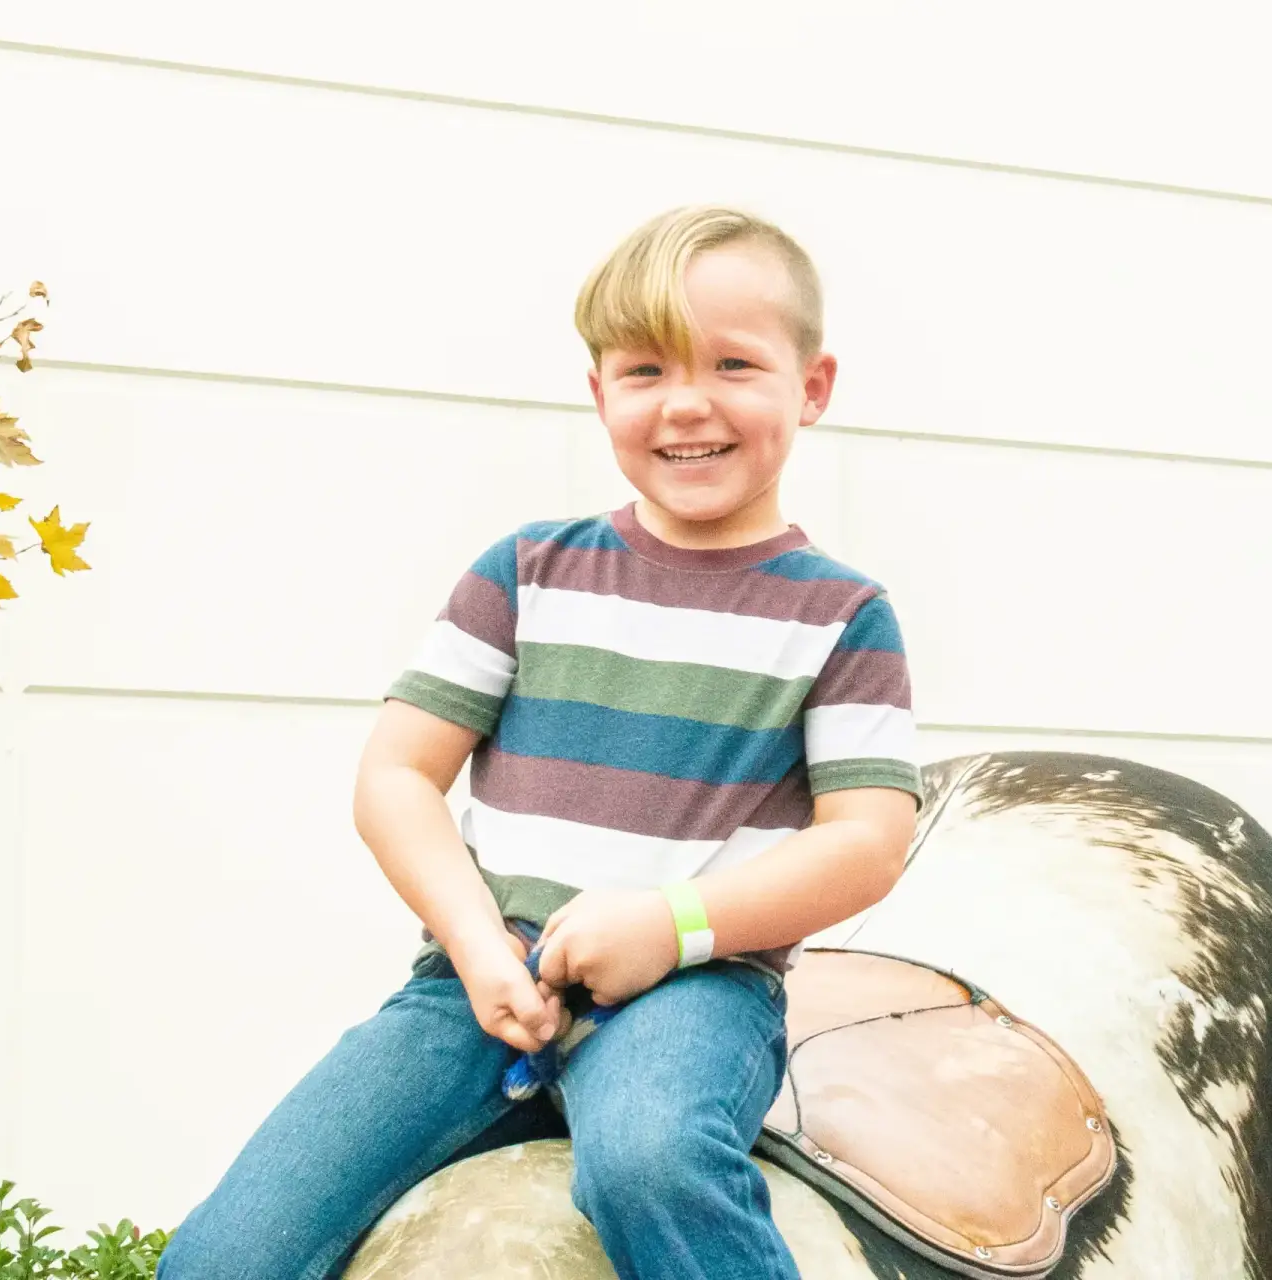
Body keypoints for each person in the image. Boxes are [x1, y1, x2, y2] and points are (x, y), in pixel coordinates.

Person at [157, 205, 922, 1280]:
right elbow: (397, 775)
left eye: (734, 363)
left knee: (651, 1162)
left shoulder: (841, 613)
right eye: (645, 368)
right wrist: (473, 943)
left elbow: (868, 841)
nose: (688, 402)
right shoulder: (526, 572)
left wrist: (670, 923)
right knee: (226, 1253)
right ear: (599, 390)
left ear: (813, 386)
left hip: (694, 988)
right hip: (474, 980)